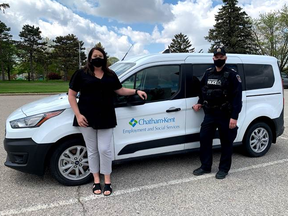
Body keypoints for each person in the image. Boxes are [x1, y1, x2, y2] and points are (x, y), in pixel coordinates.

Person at [68, 47, 147, 196]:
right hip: (86, 117)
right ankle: (96, 180)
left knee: (104, 149)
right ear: (90, 58)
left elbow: (120, 90)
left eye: (100, 55)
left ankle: (108, 180)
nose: (97, 57)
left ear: (104, 58)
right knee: (92, 150)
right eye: (94, 55)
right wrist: (78, 115)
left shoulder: (111, 74)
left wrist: (136, 91)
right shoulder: (81, 74)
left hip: (106, 116)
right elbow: (72, 96)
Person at [192, 45, 242, 179]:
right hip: (210, 114)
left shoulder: (231, 75)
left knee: (226, 142)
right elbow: (203, 90)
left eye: (221, 57)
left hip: (225, 114)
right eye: (216, 57)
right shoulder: (208, 73)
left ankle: (223, 169)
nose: (219, 59)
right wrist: (199, 102)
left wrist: (234, 117)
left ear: (225, 58)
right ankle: (205, 166)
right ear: (213, 58)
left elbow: (237, 97)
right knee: (204, 139)